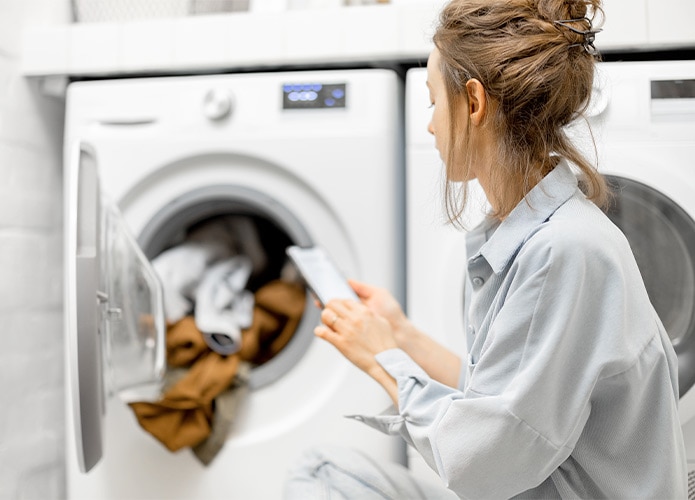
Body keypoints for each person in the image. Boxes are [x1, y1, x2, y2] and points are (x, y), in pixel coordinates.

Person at [284, 0, 688, 498]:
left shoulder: (563, 251)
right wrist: (402, 335)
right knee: (324, 468)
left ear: (473, 103)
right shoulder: (539, 233)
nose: (431, 125)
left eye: (433, 102)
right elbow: (506, 402)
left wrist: (382, 357)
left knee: (321, 479)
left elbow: (479, 463)